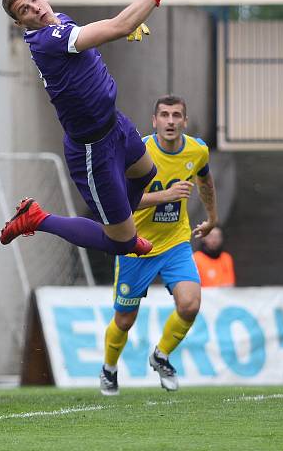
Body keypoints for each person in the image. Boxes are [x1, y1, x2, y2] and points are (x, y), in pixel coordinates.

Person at [0, 0, 189, 259]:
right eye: (25, 10)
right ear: (20, 23)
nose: (34, 8)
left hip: (115, 124)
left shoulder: (59, 20)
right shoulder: (47, 40)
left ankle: (121, 224)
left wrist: (119, 28)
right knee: (122, 245)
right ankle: (37, 218)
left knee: (144, 172)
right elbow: (119, 25)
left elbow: (105, 31)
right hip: (92, 148)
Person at [99, 95, 218, 396]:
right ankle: (109, 369)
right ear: (154, 121)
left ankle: (161, 355)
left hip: (176, 242)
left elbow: (205, 181)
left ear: (184, 121)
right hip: (135, 244)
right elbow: (121, 200)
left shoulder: (197, 150)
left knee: (190, 304)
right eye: (164, 115)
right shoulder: (138, 152)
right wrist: (165, 196)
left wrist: (212, 218)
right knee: (124, 321)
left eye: (176, 115)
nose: (170, 121)